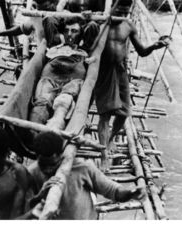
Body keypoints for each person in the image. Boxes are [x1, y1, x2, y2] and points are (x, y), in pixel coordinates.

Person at [95, 0, 170, 153]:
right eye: (118, 12)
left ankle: (110, 139)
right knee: (105, 114)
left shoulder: (129, 25)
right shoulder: (100, 24)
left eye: (124, 13)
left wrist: (156, 45)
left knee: (124, 113)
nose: (121, 15)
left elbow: (142, 51)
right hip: (104, 70)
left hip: (121, 70)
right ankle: (103, 155)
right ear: (112, 8)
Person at [28, 131, 146, 219]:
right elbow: (22, 209)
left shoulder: (81, 167)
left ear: (61, 154)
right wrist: (40, 195)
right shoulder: (32, 173)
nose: (48, 169)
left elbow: (112, 190)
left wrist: (130, 193)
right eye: (44, 164)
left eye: (52, 164)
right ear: (37, 156)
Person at [29, 16, 98, 129]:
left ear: (80, 34)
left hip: (73, 80)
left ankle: (53, 135)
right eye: (66, 30)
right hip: (50, 78)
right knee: (42, 104)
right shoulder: (54, 45)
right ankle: (31, 136)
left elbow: (93, 26)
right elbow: (49, 20)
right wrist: (64, 16)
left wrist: (83, 18)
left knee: (63, 103)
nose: (69, 34)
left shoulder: (84, 50)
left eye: (74, 31)